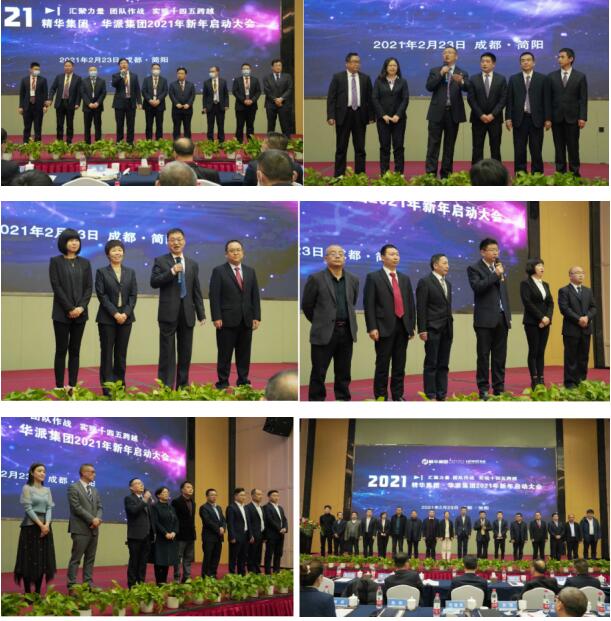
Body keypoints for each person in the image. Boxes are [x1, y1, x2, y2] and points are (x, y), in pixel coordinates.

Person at [302, 244, 359, 401]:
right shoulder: (316, 278)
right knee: (319, 372)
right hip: (324, 332)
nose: (337, 256)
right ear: (325, 258)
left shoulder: (353, 279)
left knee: (343, 371)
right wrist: (321, 321)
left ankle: (343, 400)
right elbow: (307, 305)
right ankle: (316, 402)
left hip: (346, 331)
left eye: (341, 253)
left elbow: (352, 302)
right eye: (333, 253)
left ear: (345, 258)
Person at [150, 228, 206, 389]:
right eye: (172, 240)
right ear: (167, 242)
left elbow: (196, 290)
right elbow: (154, 282)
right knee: (167, 352)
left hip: (187, 313)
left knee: (185, 351)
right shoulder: (160, 261)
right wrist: (172, 271)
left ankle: (183, 385)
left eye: (179, 239)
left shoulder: (192, 264)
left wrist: (201, 313)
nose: (176, 242)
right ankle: (166, 386)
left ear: (184, 241)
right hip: (168, 312)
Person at [364, 244, 416, 401]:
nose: (396, 257)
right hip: (383, 328)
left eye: (397, 254)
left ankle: (398, 395)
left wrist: (411, 326)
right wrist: (372, 327)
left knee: (399, 365)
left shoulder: (405, 278)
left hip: (402, 326)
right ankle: (381, 397)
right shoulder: (374, 277)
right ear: (382, 257)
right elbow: (369, 304)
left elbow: (410, 304)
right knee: (382, 365)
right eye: (392, 254)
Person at [209, 240, 261, 389]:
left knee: (244, 353)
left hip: (246, 319)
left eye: (238, 250)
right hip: (226, 320)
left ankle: (243, 381)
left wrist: (256, 316)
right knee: (224, 354)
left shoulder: (250, 271)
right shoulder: (219, 271)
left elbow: (255, 296)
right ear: (226, 254)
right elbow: (214, 296)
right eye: (232, 250)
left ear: (243, 253)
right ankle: (223, 382)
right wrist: (216, 316)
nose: (236, 253)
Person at [467, 237, 512, 399]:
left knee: (500, 356)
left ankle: (499, 387)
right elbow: (478, 287)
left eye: (497, 250)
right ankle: (484, 388)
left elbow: (503, 294)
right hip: (484, 320)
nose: (496, 253)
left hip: (502, 318)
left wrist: (508, 315)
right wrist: (495, 274)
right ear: (482, 252)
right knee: (484, 356)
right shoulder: (474, 268)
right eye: (492, 250)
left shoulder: (499, 268)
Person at [49, 228, 92, 392]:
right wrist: (69, 308)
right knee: (61, 350)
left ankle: (72, 385)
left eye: (76, 240)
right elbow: (56, 286)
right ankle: (59, 386)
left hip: (81, 314)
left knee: (75, 351)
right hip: (61, 314)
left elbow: (88, 288)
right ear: (63, 242)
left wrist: (80, 307)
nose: (74, 243)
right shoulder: (55, 261)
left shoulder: (85, 263)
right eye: (71, 240)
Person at [95, 240, 137, 395]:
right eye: (114, 250)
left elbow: (133, 295)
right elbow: (102, 295)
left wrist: (125, 313)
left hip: (126, 318)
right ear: (108, 254)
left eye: (119, 250)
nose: (117, 253)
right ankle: (107, 389)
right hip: (107, 318)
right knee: (107, 354)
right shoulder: (101, 272)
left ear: (123, 252)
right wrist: (115, 313)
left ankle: (119, 387)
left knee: (121, 354)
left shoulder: (130, 272)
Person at [327, 52, 374, 177]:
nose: (356, 64)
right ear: (347, 64)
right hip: (343, 115)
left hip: (360, 115)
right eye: (354, 62)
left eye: (358, 62)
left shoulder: (365, 78)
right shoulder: (338, 77)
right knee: (341, 148)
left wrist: (371, 116)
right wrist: (331, 116)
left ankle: (360, 175)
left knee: (360, 148)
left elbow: (370, 99)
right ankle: (339, 176)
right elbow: (331, 98)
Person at [425, 46, 469, 178]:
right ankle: (430, 174)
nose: (447, 55)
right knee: (433, 145)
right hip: (436, 113)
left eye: (450, 53)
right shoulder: (435, 71)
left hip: (453, 113)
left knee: (449, 146)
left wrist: (461, 81)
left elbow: (468, 88)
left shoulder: (462, 72)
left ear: (456, 56)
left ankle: (446, 174)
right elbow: (429, 87)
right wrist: (441, 74)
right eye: (445, 53)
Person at [14, 463, 56, 594]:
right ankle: (28, 593)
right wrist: (41, 525)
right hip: (31, 527)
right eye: (39, 471)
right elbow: (28, 508)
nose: (43, 473)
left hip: (46, 528)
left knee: (42, 560)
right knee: (29, 560)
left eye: (44, 471)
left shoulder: (47, 490)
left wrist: (47, 524)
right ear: (32, 473)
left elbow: (49, 508)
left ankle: (37, 592)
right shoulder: (27, 488)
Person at [416, 253, 453, 401]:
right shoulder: (425, 282)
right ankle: (430, 394)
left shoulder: (448, 283)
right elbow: (421, 307)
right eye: (444, 263)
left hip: (447, 328)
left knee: (444, 363)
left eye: (448, 263)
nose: (447, 266)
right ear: (435, 265)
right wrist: (422, 329)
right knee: (431, 363)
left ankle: (441, 394)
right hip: (432, 328)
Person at [546, 48, 588, 177]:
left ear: (571, 59)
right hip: (556, 118)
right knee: (559, 147)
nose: (559, 59)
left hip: (573, 118)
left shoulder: (580, 76)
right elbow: (548, 99)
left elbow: (583, 99)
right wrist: (548, 118)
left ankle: (575, 173)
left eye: (562, 57)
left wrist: (582, 117)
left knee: (573, 147)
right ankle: (560, 173)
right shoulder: (551, 76)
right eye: (558, 57)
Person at [505, 52, 548, 175]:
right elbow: (509, 100)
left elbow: (546, 100)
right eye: (523, 60)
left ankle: (537, 175)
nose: (525, 62)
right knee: (519, 150)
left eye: (528, 60)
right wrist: (508, 118)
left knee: (536, 150)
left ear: (534, 62)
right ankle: (520, 174)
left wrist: (548, 118)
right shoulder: (514, 79)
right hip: (519, 119)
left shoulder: (542, 79)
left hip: (536, 119)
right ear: (520, 63)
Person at [558, 267, 597, 389]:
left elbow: (593, 307)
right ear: (570, 275)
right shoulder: (564, 291)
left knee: (584, 357)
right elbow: (564, 309)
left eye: (582, 273)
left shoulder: (588, 291)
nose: (581, 275)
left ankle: (582, 381)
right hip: (571, 329)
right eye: (577, 273)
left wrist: (587, 317)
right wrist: (579, 319)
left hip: (585, 329)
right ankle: (570, 382)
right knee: (571, 357)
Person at [67, 464, 102, 589]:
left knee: (90, 558)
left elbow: (99, 507)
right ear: (84, 473)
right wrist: (92, 519)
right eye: (92, 472)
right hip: (80, 528)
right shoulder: (73, 487)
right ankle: (72, 585)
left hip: (94, 529)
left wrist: (97, 519)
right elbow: (76, 508)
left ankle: (88, 584)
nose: (94, 474)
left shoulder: (94, 490)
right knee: (76, 559)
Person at [520, 258, 554, 389]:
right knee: (533, 350)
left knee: (541, 351)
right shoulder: (525, 283)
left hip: (546, 322)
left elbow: (550, 303)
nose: (542, 267)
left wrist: (548, 318)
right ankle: (534, 379)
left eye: (542, 265)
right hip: (532, 322)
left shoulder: (545, 284)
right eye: (539, 265)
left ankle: (541, 378)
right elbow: (527, 303)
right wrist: (541, 317)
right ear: (532, 267)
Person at [372, 57, 409, 175]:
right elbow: (374, 99)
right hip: (383, 120)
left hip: (399, 120)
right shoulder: (379, 81)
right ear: (386, 67)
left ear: (398, 68)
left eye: (395, 65)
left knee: (398, 147)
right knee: (384, 147)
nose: (392, 67)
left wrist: (398, 115)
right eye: (390, 65)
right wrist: (383, 115)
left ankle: (399, 173)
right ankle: (385, 173)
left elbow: (405, 99)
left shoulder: (403, 82)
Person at [467, 53, 507, 165]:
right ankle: (476, 172)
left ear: (493, 64)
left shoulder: (501, 79)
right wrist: (481, 115)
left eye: (487, 61)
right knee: (477, 148)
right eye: (482, 61)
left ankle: (497, 172)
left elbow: (503, 99)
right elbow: (471, 99)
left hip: (495, 119)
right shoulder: (473, 79)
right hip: (478, 119)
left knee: (495, 148)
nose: (484, 63)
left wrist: (492, 115)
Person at [124, 478, 153, 588]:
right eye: (137, 483)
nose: (141, 485)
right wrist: (144, 499)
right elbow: (133, 511)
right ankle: (132, 586)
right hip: (135, 536)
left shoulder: (147, 500)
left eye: (141, 483)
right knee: (134, 562)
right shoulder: (129, 498)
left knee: (143, 563)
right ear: (131, 488)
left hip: (147, 536)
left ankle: (141, 584)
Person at [46, 60, 81, 144]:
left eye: (69, 66)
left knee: (70, 124)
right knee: (59, 124)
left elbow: (79, 92)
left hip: (71, 103)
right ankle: (59, 141)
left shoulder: (78, 78)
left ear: (73, 67)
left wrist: (77, 103)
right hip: (60, 103)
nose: (67, 67)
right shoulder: (59, 77)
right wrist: (50, 99)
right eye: (66, 66)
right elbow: (53, 88)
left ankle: (69, 141)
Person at [151, 486, 179, 585]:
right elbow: (156, 522)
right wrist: (165, 533)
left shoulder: (171, 508)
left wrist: (174, 532)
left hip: (171, 537)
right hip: (160, 538)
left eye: (167, 492)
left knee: (167, 560)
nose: (167, 494)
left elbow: (176, 521)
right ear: (158, 495)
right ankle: (159, 582)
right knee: (160, 561)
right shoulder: (155, 507)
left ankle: (164, 582)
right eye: (164, 492)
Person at [111, 58, 142, 144]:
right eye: (121, 63)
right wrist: (121, 75)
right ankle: (119, 143)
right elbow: (114, 84)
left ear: (128, 65)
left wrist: (139, 102)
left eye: (125, 63)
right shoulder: (115, 75)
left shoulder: (134, 76)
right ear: (119, 65)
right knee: (119, 124)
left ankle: (130, 143)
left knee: (131, 124)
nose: (123, 64)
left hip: (131, 103)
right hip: (119, 103)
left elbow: (137, 90)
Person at [171, 481, 196, 583]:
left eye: (192, 487)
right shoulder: (176, 502)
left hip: (191, 534)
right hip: (180, 534)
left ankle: (187, 577)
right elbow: (174, 519)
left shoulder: (193, 502)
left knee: (188, 557)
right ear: (182, 489)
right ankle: (177, 577)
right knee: (178, 558)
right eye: (188, 487)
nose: (191, 489)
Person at [18, 62, 48, 143]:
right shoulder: (24, 80)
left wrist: (45, 106)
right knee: (27, 127)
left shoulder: (43, 80)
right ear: (30, 70)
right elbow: (22, 94)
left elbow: (45, 94)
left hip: (38, 107)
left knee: (38, 127)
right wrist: (20, 106)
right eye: (35, 69)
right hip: (27, 106)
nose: (37, 71)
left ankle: (37, 143)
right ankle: (26, 143)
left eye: (38, 69)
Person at [199, 488, 226, 578]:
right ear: (207, 496)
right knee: (208, 557)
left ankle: (213, 574)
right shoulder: (204, 507)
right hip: (209, 537)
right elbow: (207, 521)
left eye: (215, 495)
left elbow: (223, 520)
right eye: (212, 495)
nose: (214, 497)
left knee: (216, 557)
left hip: (218, 537)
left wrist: (223, 528)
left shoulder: (218, 507)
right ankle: (205, 576)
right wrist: (218, 529)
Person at [263, 59, 293, 137]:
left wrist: (281, 99)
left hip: (284, 104)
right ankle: (270, 142)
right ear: (272, 67)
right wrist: (275, 100)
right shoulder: (266, 77)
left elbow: (289, 89)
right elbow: (267, 90)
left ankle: (287, 141)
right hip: (270, 104)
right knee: (271, 125)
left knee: (285, 125)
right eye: (276, 65)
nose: (278, 67)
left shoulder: (287, 76)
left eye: (280, 65)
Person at [233, 63, 261, 143]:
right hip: (240, 106)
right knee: (239, 126)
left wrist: (252, 100)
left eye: (247, 69)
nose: (246, 70)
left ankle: (251, 143)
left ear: (250, 70)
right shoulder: (237, 80)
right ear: (241, 70)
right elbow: (235, 91)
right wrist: (244, 100)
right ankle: (239, 142)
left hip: (252, 106)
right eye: (244, 69)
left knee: (250, 126)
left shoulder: (255, 80)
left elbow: (258, 91)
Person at [226, 488, 250, 575]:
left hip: (245, 535)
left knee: (243, 556)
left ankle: (242, 574)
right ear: (235, 496)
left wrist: (250, 535)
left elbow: (248, 522)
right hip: (236, 536)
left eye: (244, 495)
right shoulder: (231, 507)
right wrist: (232, 536)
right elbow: (230, 523)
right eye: (241, 495)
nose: (244, 497)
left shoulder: (245, 508)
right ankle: (232, 574)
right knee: (233, 557)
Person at [263, 490, 288, 573]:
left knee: (278, 554)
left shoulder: (280, 508)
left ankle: (276, 571)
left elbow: (284, 519)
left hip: (280, 535)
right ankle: (267, 572)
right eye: (274, 495)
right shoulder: (266, 507)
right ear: (269, 497)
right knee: (269, 554)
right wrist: (280, 529)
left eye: (277, 495)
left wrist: (285, 528)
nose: (276, 497)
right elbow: (269, 520)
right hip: (271, 534)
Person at [142, 63, 168, 140]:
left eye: (157, 69)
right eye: (154, 68)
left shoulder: (164, 80)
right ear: (151, 70)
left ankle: (159, 141)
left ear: (160, 70)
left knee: (159, 125)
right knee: (149, 124)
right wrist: (150, 100)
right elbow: (143, 91)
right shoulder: (146, 79)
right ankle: (148, 141)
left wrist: (158, 100)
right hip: (148, 105)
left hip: (159, 105)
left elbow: (165, 91)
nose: (156, 70)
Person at [202, 65, 229, 142]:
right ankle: (210, 141)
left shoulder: (223, 81)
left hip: (220, 106)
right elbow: (204, 96)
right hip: (210, 106)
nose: (211, 73)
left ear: (217, 72)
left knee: (221, 125)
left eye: (213, 71)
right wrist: (204, 107)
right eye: (210, 71)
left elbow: (226, 94)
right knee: (210, 125)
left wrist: (226, 105)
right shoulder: (206, 82)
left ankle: (221, 141)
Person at [80, 65, 106, 144]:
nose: (93, 71)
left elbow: (103, 93)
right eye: (91, 70)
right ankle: (87, 143)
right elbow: (83, 93)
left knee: (98, 126)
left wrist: (98, 102)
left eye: (94, 70)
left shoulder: (102, 81)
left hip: (98, 107)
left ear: (97, 71)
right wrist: (89, 103)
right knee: (87, 127)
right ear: (88, 72)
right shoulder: (83, 81)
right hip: (87, 107)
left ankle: (98, 143)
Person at [169, 67, 195, 140]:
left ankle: (187, 142)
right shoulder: (172, 84)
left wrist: (188, 104)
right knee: (176, 127)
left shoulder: (191, 85)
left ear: (185, 75)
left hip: (188, 110)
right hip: (176, 109)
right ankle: (176, 142)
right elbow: (171, 95)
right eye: (178, 73)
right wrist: (176, 103)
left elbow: (192, 95)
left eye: (182, 73)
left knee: (187, 127)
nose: (180, 75)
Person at [245, 489, 266, 573]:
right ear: (252, 496)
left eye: (261, 494)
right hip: (253, 535)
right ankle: (251, 571)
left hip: (261, 534)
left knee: (258, 554)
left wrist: (264, 535)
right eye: (258, 494)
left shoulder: (261, 507)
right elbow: (248, 522)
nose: (260, 496)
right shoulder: (248, 507)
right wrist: (250, 535)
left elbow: (263, 522)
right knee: (251, 554)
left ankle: (257, 570)